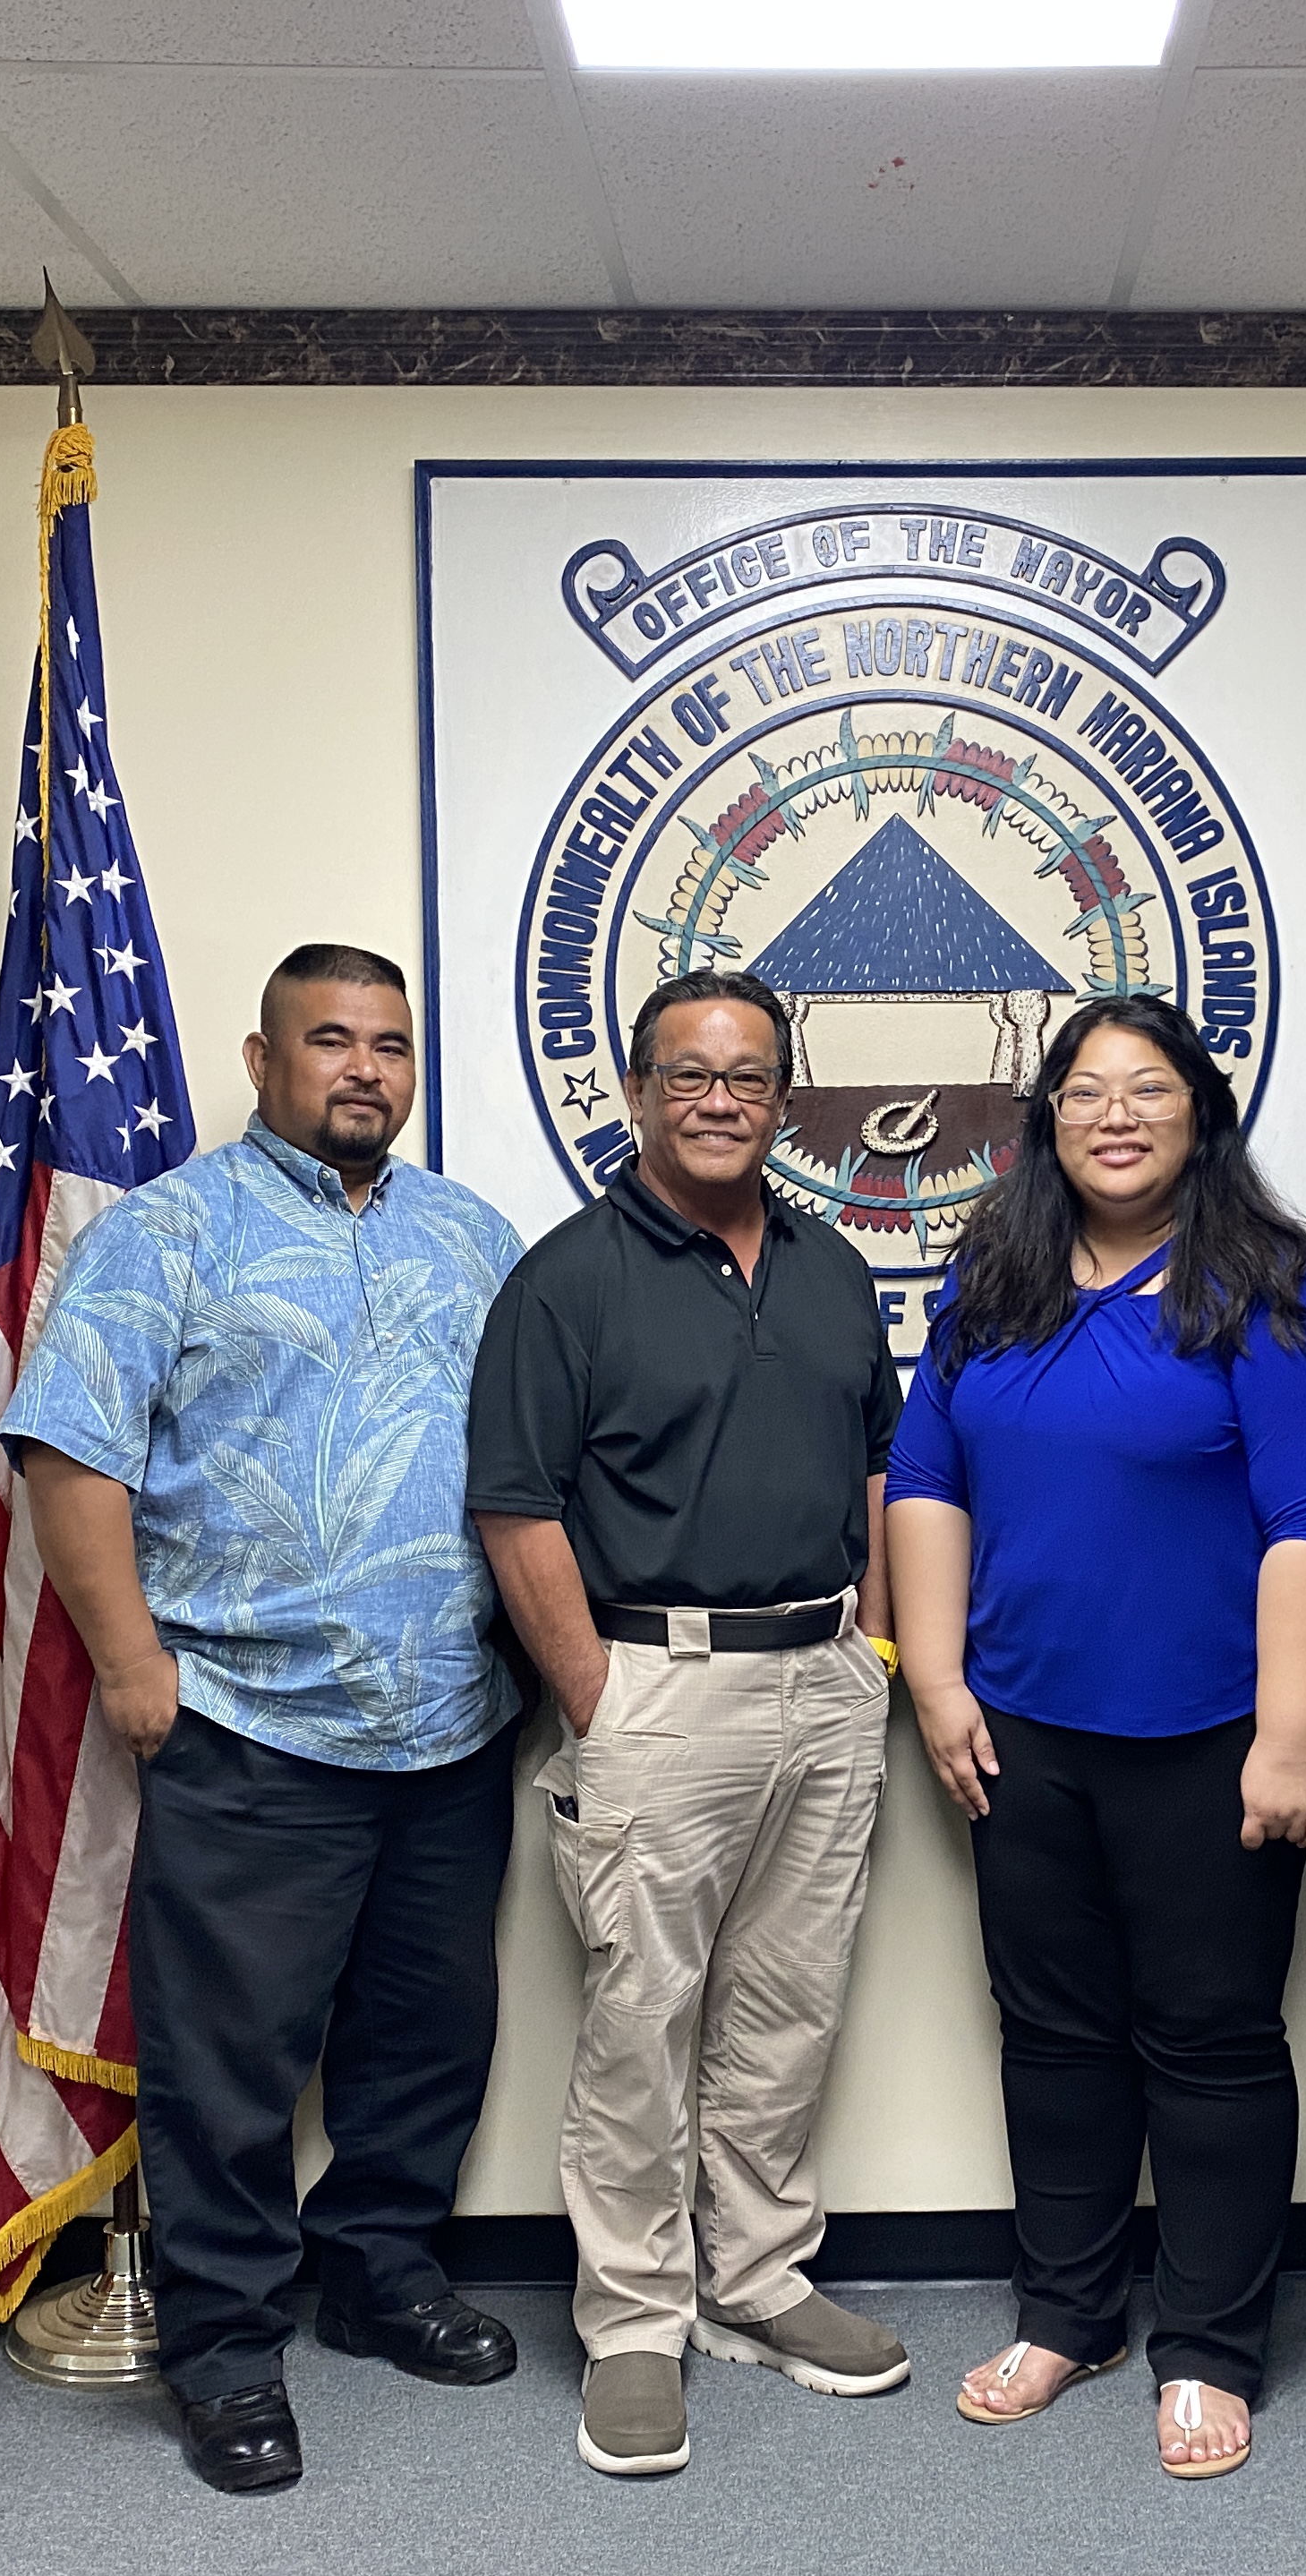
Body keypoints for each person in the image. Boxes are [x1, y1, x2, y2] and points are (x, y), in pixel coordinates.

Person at [1, 944, 527, 2496]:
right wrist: (130, 1666)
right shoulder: (169, 1234)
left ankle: (380, 2276)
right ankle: (225, 2346)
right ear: (261, 1057)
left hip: (449, 1726)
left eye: (388, 1044)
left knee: (425, 2038)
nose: (363, 1068)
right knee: (230, 2062)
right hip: (246, 1718)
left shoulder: (470, 1235)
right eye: (330, 1041)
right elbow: (69, 1456)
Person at [884, 996, 1306, 2482]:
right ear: (1046, 1121)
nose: (1114, 1115)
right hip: (1020, 1733)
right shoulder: (996, 1279)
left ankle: (1211, 2345)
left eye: (1147, 1089)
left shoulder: (1271, 1287)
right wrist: (938, 1683)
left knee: (1211, 2045)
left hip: (1213, 1740)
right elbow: (926, 1477)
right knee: (1054, 2035)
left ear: (1199, 1115)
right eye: (1085, 1091)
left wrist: (1293, 1741)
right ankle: (1068, 2313)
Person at [466, 968, 911, 2478]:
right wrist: (600, 1699)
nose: (720, 1099)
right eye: (689, 1074)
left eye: (748, 1076)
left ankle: (760, 2276)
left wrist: (880, 1654)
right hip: (654, 1683)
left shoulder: (835, 1269)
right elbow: (515, 1508)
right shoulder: (568, 1279)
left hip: (826, 1681)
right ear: (641, 1092)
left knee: (788, 2005)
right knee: (641, 2020)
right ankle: (638, 2322)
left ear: (785, 1100)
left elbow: (876, 1471)